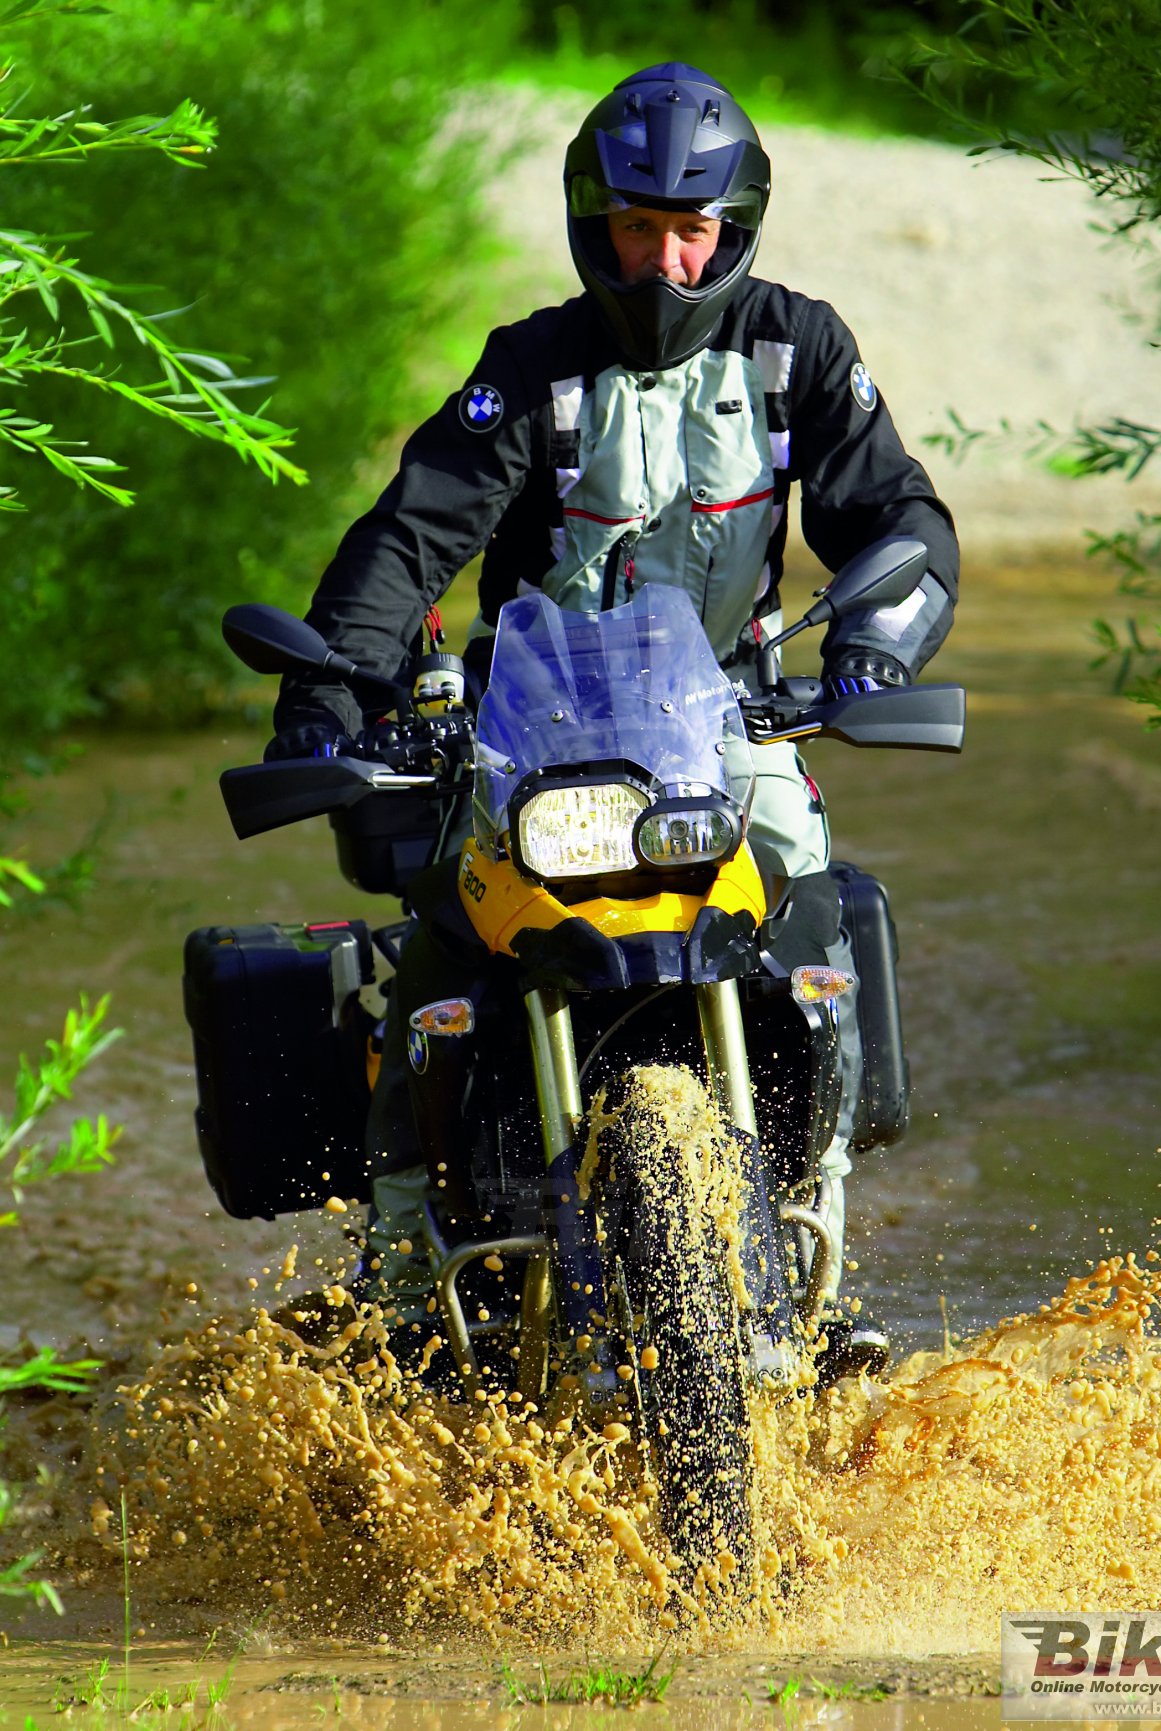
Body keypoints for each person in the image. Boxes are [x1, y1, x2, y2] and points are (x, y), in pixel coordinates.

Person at [268, 62, 959, 1371]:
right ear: (597, 225)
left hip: (731, 730)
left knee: (816, 925)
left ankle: (815, 1259)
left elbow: (899, 522)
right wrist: (326, 704)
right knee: (440, 958)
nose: (666, 260)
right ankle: (404, 1280)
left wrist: (871, 646)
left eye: (692, 230)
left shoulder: (796, 349)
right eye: (640, 229)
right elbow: (407, 543)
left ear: (736, 228)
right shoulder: (530, 368)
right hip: (540, 734)